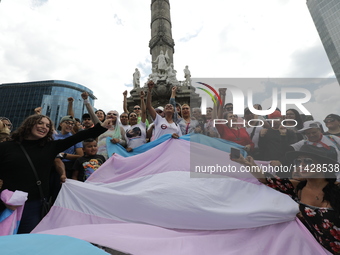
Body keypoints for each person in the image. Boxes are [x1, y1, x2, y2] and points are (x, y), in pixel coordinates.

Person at [0, 114, 112, 233]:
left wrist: (101, 128)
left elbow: (76, 138)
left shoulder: (50, 147)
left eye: (48, 125)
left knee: (27, 241)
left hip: (34, 205)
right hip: (6, 203)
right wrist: (3, 197)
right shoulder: (5, 147)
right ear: (29, 125)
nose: (44, 127)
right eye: (40, 123)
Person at [231, 145, 340, 254]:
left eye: (308, 161)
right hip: (323, 249)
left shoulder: (337, 188)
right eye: (298, 162)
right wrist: (247, 164)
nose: (301, 165)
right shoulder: (298, 188)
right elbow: (266, 179)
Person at [81, 92, 126, 159]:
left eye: (114, 114)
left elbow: (126, 143)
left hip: (114, 154)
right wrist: (86, 100)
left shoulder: (120, 128)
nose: (111, 115)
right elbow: (92, 114)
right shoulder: (101, 126)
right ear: (106, 116)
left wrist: (118, 141)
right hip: (99, 153)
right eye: (109, 113)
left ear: (117, 117)